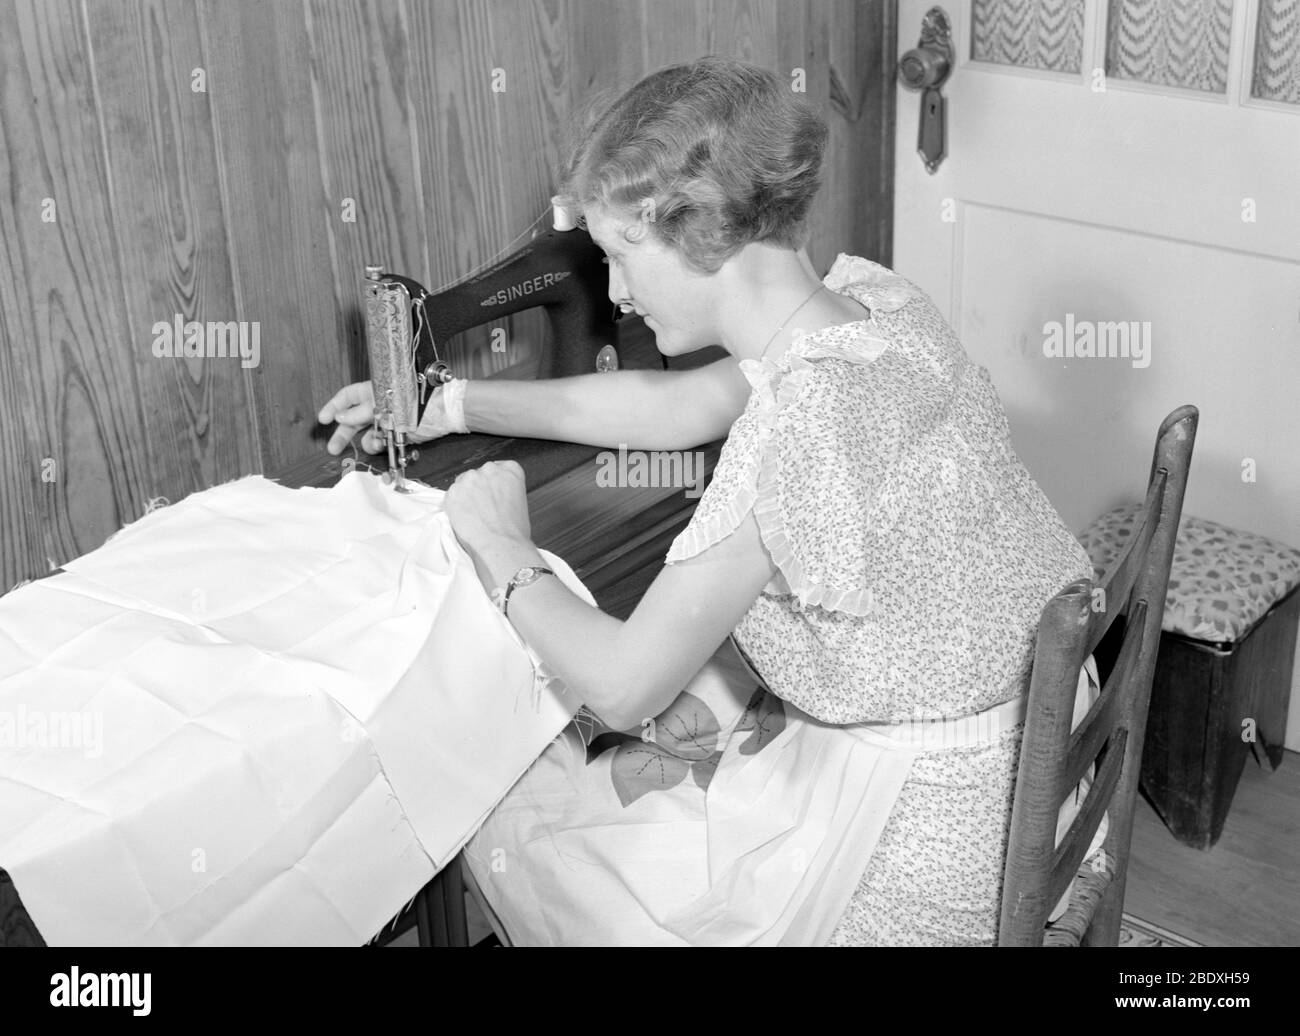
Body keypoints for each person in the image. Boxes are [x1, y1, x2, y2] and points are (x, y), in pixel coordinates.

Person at [317, 56, 1096, 946]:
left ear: (700, 236)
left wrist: (499, 540)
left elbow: (619, 686)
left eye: (618, 256)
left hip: (930, 850)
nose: (613, 291)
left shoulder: (794, 436)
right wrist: (448, 403)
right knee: (660, 758)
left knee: (526, 829)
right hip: (1026, 760)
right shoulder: (878, 311)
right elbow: (681, 407)